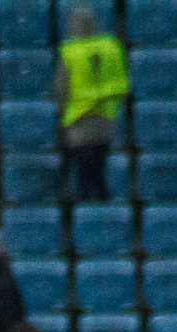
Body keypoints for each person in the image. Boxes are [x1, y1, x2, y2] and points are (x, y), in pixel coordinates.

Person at [51, 5, 124, 203]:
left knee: (84, 179)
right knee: (100, 176)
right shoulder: (111, 47)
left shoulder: (70, 52)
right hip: (106, 122)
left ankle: (86, 220)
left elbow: (61, 90)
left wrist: (62, 113)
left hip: (79, 123)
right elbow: (121, 83)